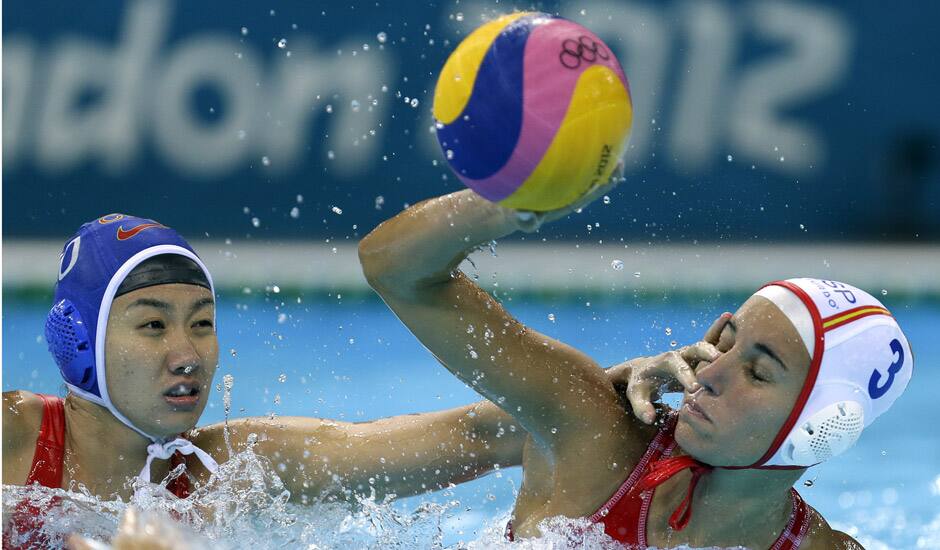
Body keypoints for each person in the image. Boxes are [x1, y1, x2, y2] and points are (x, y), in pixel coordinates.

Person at [2, 213, 647, 547]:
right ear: (77, 340)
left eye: (201, 323)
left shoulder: (233, 468)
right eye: (152, 326)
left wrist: (604, 394)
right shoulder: (13, 438)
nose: (188, 354)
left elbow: (488, 436)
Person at [359, 187, 913, 549]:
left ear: (820, 429)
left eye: (759, 373)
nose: (712, 372)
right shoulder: (597, 430)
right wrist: (503, 204)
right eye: (726, 339)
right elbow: (397, 270)